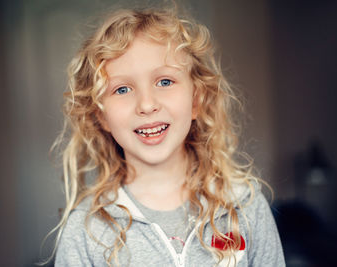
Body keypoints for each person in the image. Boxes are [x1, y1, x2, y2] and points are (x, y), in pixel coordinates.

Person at [50, 6, 285, 267]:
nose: (147, 104)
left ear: (196, 100)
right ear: (101, 116)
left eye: (164, 82)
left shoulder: (245, 207)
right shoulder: (86, 230)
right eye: (122, 89)